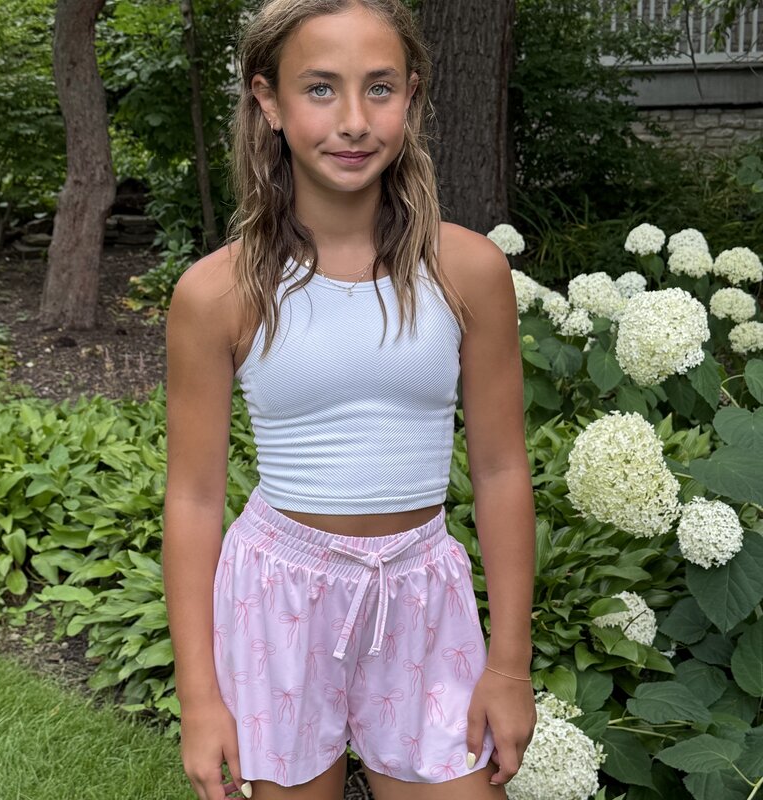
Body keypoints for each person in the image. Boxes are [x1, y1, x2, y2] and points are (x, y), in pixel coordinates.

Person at [162, 1, 537, 799]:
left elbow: (503, 470)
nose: (355, 121)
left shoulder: (468, 272)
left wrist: (510, 666)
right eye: (321, 89)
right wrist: (200, 698)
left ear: (412, 97)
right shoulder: (218, 292)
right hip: (280, 602)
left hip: (423, 596)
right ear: (269, 101)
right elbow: (192, 499)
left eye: (380, 88)